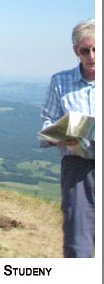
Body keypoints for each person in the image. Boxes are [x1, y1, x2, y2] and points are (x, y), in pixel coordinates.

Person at [40, 20, 95, 258]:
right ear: (76, 51)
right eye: (85, 50)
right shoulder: (60, 82)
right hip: (78, 169)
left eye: (97, 49)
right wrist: (56, 137)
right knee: (78, 245)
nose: (92, 56)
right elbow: (47, 123)